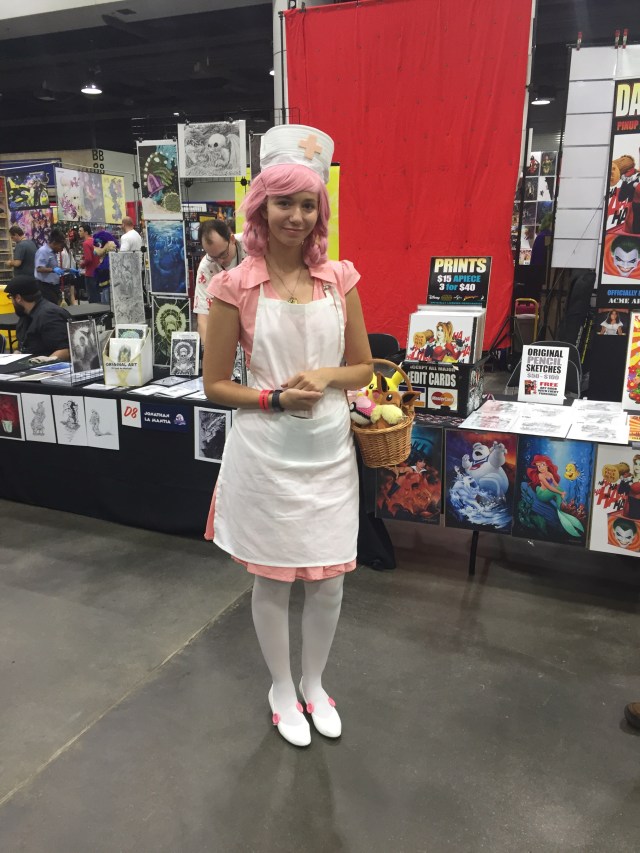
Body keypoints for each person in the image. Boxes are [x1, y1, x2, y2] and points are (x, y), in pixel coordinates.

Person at [203, 124, 372, 747]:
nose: (296, 216)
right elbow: (215, 384)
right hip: (267, 454)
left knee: (329, 583)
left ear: (320, 210)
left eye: (307, 204)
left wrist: (326, 377)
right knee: (273, 579)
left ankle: (314, 683)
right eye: (284, 203)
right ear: (261, 207)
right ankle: (281, 687)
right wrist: (274, 396)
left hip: (328, 453)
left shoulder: (340, 279)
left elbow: (364, 368)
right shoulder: (233, 286)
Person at [194, 219, 245, 346]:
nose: (220, 261)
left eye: (223, 254)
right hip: (227, 324)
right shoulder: (206, 267)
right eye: (213, 257)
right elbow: (203, 318)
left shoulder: (251, 244)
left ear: (232, 239)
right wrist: (210, 351)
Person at [5, 275, 70, 359]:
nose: (12, 301)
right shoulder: (25, 315)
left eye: (10, 297)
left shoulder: (49, 315)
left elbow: (65, 350)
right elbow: (26, 345)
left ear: (18, 298)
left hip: (49, 365)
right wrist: (18, 353)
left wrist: (45, 362)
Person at [34, 228, 66, 304]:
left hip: (53, 287)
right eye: (60, 246)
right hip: (45, 287)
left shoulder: (53, 253)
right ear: (54, 243)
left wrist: (69, 270)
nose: (61, 250)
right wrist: (53, 270)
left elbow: (55, 268)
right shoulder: (43, 251)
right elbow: (39, 268)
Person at [92, 229, 119, 305]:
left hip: (108, 285)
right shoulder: (104, 257)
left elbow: (105, 269)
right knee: (104, 303)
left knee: (108, 304)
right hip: (104, 285)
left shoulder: (109, 257)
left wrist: (98, 271)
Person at [78, 224, 101, 304]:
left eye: (80, 231)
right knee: (97, 295)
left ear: (86, 232)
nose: (79, 232)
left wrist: (82, 265)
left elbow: (88, 259)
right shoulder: (95, 242)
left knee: (92, 297)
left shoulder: (86, 243)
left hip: (90, 273)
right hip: (98, 272)